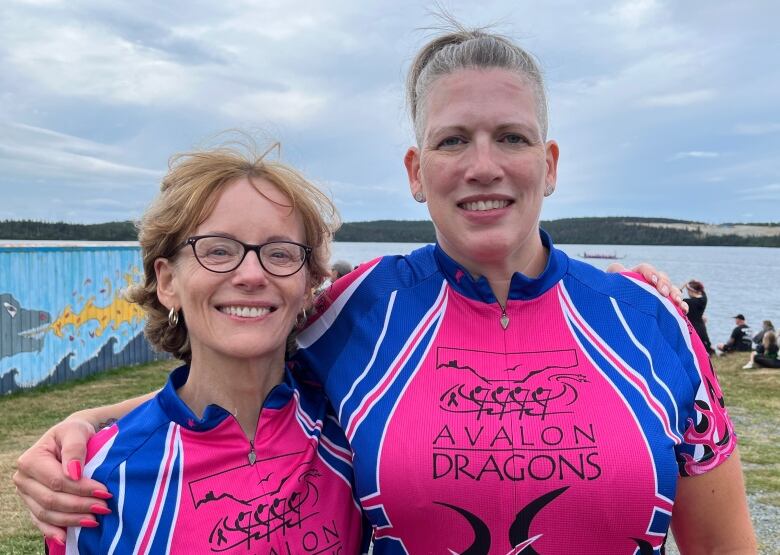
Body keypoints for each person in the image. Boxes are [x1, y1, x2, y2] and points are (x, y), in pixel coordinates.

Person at [14, 23, 754, 554]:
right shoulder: (353, 312)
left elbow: (724, 545)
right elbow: (233, 367)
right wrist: (87, 421)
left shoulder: (650, 320)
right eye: (453, 139)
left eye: (513, 137)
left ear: (551, 163)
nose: (484, 165)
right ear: (415, 171)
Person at [37, 145, 368, 553]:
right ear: (167, 281)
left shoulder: (356, 427)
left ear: (308, 285)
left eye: (280, 253)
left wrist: (91, 414)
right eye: (218, 250)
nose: (251, 274)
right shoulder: (97, 480)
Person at [680, 279, 713, 354]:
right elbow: (702, 290)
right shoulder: (704, 299)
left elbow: (675, 299)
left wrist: (682, 287)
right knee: (705, 348)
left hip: (692, 328)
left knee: (693, 349)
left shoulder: (687, 302)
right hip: (702, 328)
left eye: (688, 290)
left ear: (691, 291)